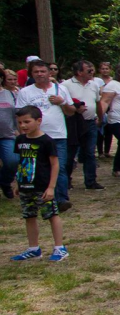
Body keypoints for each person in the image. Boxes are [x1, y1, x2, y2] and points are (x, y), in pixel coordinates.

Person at [8, 106, 67, 262]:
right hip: (25, 187)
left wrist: (51, 187)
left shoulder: (46, 141)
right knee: (29, 216)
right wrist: (17, 182)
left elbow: (55, 164)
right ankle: (33, 248)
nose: (22, 126)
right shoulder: (20, 140)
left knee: (52, 215)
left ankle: (60, 248)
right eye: (19, 122)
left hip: (42, 188)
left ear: (39, 121)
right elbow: (20, 162)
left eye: (27, 122)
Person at [15, 60, 73, 210]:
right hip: (35, 137)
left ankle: (61, 199)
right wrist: (23, 136)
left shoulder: (60, 89)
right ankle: (35, 197)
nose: (40, 74)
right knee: (37, 167)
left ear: (50, 73)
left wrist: (62, 102)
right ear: (31, 74)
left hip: (57, 134)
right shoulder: (25, 92)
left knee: (59, 166)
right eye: (36, 72)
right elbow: (20, 116)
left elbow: (71, 111)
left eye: (43, 71)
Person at [61, 60, 103, 191]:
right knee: (70, 153)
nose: (92, 72)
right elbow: (62, 104)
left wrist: (100, 118)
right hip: (73, 123)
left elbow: (97, 102)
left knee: (90, 152)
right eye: (89, 70)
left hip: (90, 122)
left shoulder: (94, 85)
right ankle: (66, 180)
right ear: (79, 72)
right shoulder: (66, 85)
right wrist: (74, 109)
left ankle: (90, 181)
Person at [0, 69, 19, 199]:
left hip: (8, 134)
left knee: (12, 161)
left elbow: (18, 114)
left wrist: (20, 130)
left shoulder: (11, 94)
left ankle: (5, 182)